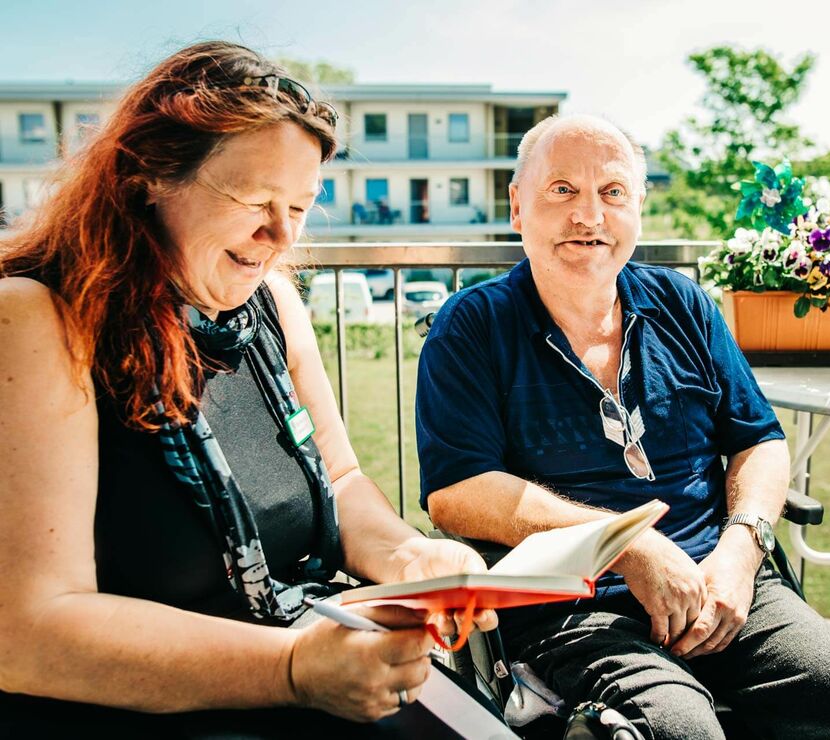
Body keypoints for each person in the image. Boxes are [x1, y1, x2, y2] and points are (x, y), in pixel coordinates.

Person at [0, 42, 499, 737]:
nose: (281, 234)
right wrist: (292, 666)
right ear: (148, 176)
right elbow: (28, 631)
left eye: (301, 204)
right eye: (255, 200)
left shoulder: (271, 304)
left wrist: (413, 558)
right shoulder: (37, 318)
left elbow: (342, 476)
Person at [415, 114, 830, 739]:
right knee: (676, 730)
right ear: (518, 207)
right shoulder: (474, 325)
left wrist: (740, 552)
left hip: (722, 585)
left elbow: (759, 440)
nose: (589, 215)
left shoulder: (682, 302)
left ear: (638, 207)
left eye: (612, 192)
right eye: (562, 190)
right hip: (576, 609)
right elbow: (458, 492)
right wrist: (629, 547)